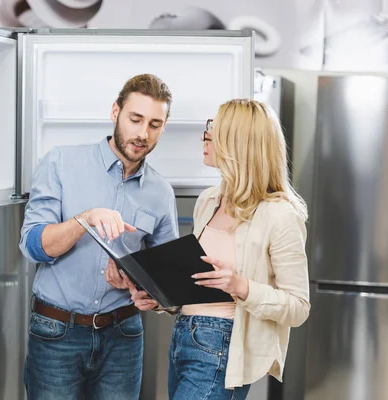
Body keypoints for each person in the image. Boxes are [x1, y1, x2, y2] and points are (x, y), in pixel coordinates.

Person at [108, 99, 310, 399]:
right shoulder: (209, 201)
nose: (206, 137)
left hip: (222, 347)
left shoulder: (279, 215)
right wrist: (160, 299)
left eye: (214, 130)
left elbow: (298, 308)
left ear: (238, 143)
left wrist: (240, 286)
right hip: (184, 338)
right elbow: (199, 286)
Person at [18, 73, 179, 399]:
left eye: (154, 124)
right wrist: (85, 219)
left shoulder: (161, 192)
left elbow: (169, 287)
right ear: (115, 111)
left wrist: (149, 296)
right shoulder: (61, 162)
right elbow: (33, 245)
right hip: (56, 334)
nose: (142, 133)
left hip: (124, 336)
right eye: (135, 119)